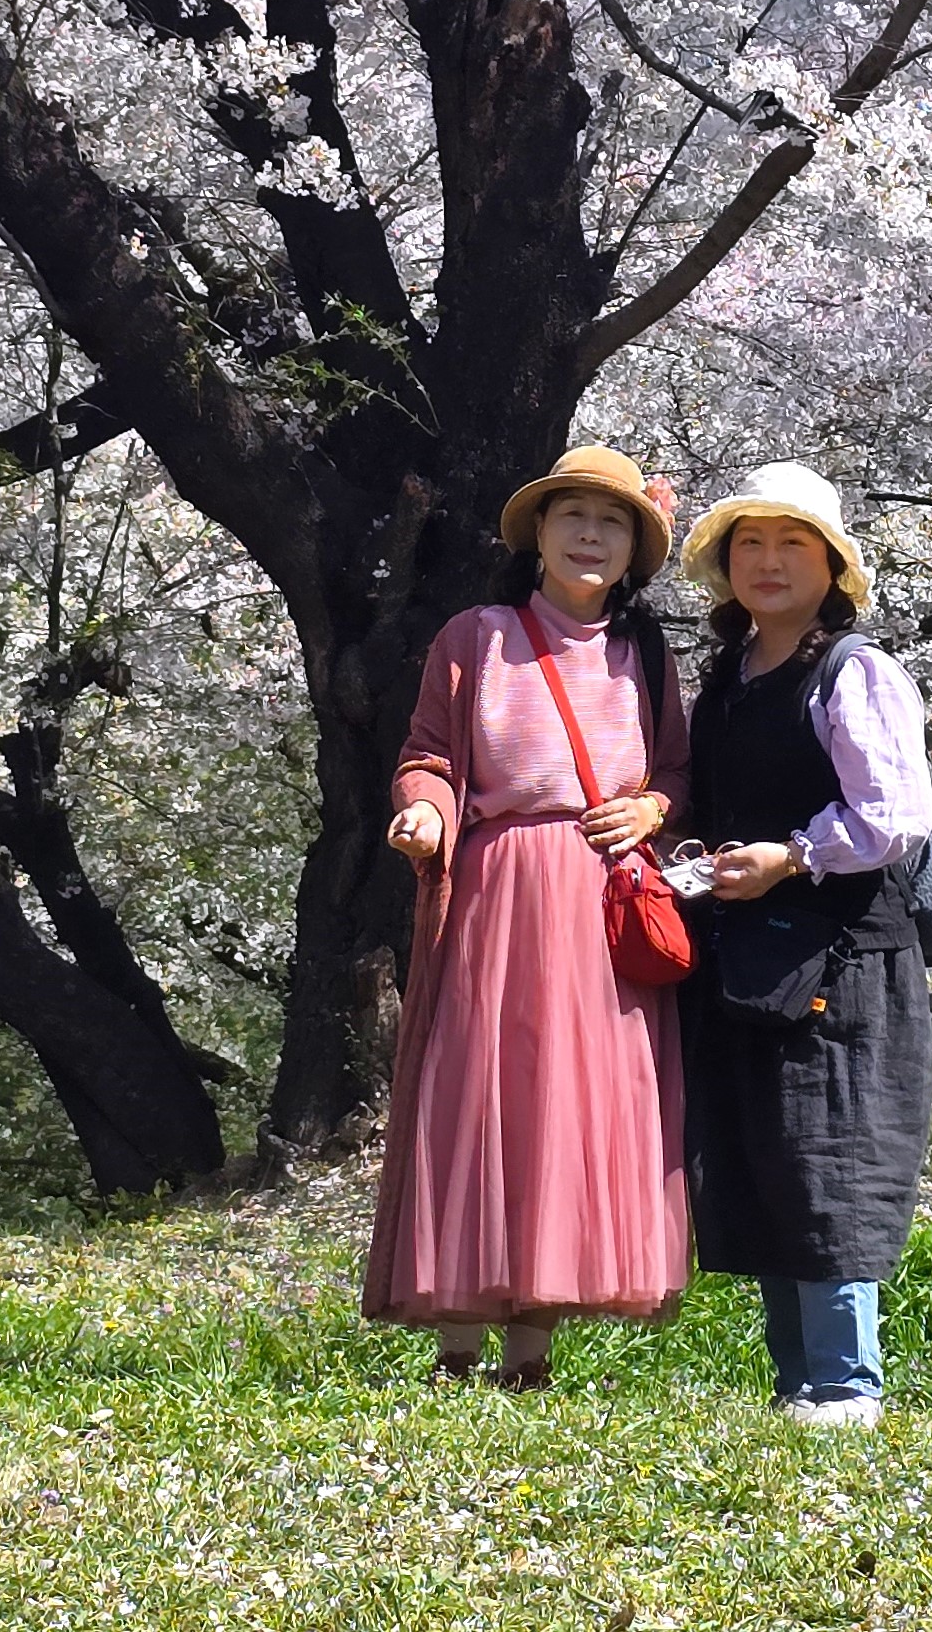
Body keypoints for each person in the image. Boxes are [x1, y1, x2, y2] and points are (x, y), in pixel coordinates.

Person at [360, 445, 693, 1387]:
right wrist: (426, 812)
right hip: (496, 893)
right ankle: (457, 1347)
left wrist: (653, 808)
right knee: (480, 1098)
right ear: (537, 534)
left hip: (604, 904)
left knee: (574, 1110)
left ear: (633, 551)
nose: (591, 535)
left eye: (613, 521)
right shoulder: (476, 637)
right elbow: (428, 754)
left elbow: (678, 770)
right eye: (572, 515)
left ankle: (532, 1353)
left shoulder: (647, 656)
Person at [674, 461, 932, 1430]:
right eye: (749, 543)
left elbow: (892, 816)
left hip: (843, 962)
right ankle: (797, 1386)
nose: (768, 561)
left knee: (833, 1160)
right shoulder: (728, 679)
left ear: (831, 566)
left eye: (792, 543)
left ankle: (845, 1386)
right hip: (747, 960)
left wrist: (790, 856)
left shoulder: (854, 672)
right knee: (768, 1162)